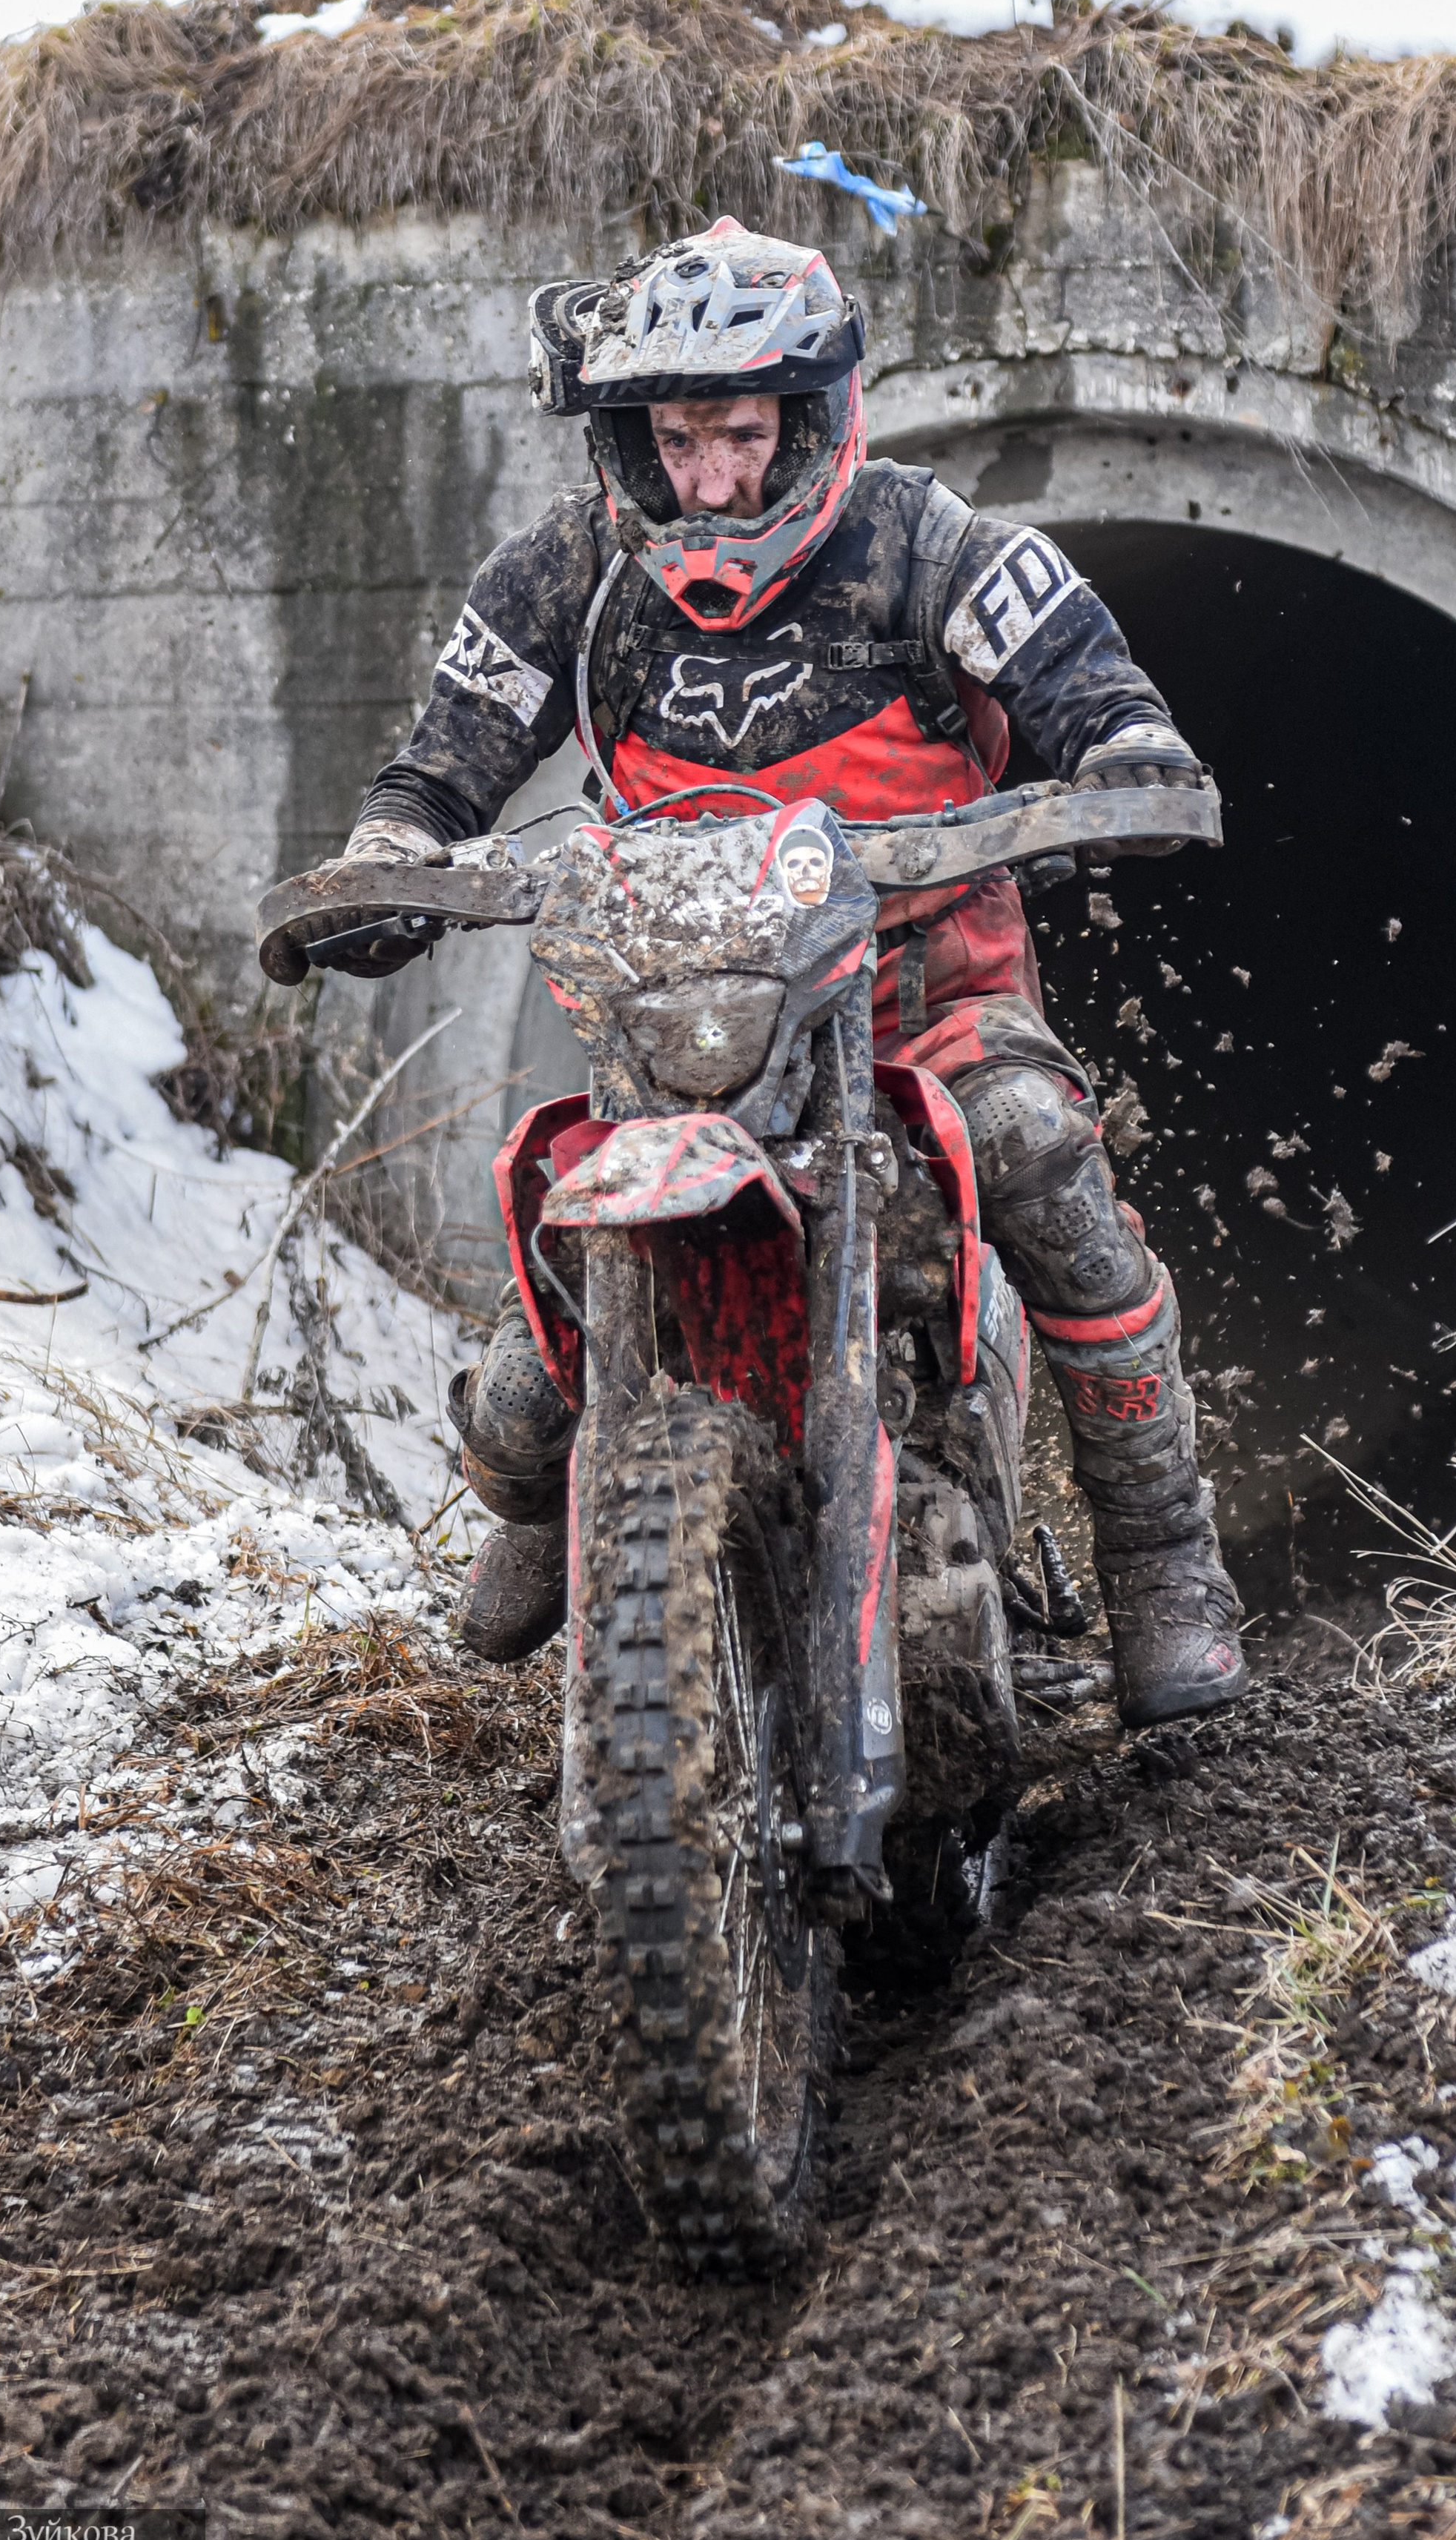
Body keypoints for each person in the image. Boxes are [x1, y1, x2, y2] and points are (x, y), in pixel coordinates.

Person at [313, 220, 1244, 1731]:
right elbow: (440, 763)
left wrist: (1127, 760)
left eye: (741, 434)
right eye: (674, 440)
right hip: (674, 1035)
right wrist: (386, 859)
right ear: (629, 435)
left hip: (920, 1010)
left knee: (1042, 1167)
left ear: (809, 418)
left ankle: (1160, 1556)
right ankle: (548, 1503)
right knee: (537, 1295)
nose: (710, 481)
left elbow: (1091, 686)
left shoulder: (928, 542)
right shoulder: (565, 570)